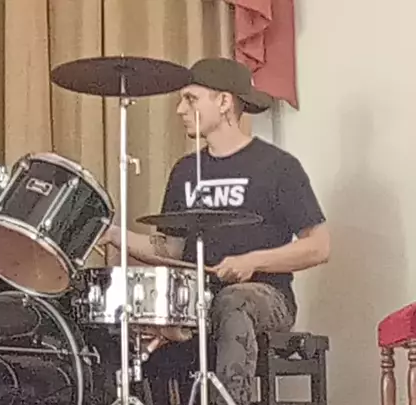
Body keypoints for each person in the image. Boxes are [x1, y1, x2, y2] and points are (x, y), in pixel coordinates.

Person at [99, 57, 330, 405]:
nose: (180, 109)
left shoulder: (278, 166)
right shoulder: (185, 171)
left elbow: (319, 246)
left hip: (267, 297)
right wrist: (116, 235)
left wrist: (253, 261)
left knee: (232, 302)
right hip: (195, 300)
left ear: (224, 102)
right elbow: (171, 249)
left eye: (190, 99)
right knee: (125, 311)